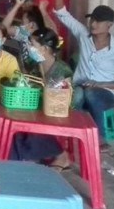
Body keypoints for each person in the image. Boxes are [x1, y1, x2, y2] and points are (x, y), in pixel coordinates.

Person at [54, 0, 114, 148]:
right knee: (77, 94)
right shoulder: (83, 34)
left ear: (109, 25)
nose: (93, 24)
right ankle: (73, 133)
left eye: (99, 21)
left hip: (106, 93)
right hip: (80, 85)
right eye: (92, 20)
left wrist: (100, 84)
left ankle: (100, 139)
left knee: (92, 94)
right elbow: (61, 12)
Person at [9, 29, 73, 170]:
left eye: (32, 45)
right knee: (14, 124)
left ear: (44, 49)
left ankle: (60, 155)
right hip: (34, 108)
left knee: (31, 126)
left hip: (55, 111)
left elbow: (62, 98)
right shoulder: (34, 65)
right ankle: (22, 159)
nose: (29, 48)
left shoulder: (62, 69)